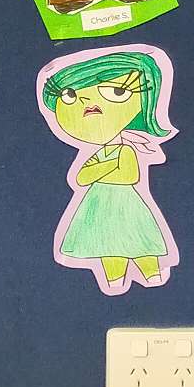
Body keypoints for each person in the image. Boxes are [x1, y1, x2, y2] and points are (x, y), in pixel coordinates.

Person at [38, 49, 178, 296]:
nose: (88, 103)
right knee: (107, 246)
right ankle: (114, 281)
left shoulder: (127, 149)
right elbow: (81, 178)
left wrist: (100, 170)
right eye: (70, 96)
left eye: (117, 91)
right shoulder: (103, 153)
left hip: (126, 205)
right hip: (99, 207)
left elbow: (129, 176)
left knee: (139, 244)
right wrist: (108, 167)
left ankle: (152, 275)